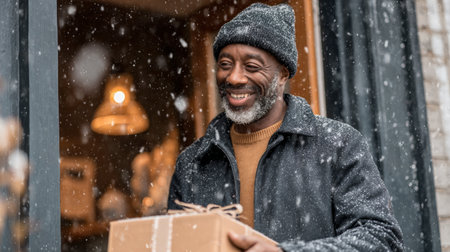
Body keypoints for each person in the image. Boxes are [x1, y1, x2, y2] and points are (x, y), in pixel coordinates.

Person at [168, 3, 403, 251]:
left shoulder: (338, 145)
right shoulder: (192, 163)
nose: (234, 78)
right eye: (226, 64)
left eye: (252, 67)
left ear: (282, 74)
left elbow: (381, 238)